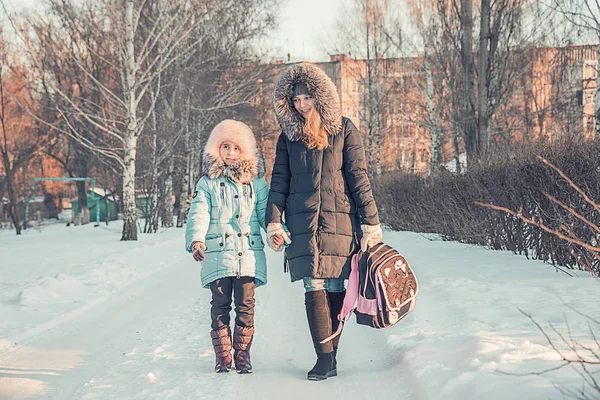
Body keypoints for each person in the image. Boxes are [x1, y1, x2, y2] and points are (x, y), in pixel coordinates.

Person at [265, 63, 383, 381]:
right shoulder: (288, 137)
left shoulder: (343, 129)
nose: (302, 105)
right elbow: (279, 181)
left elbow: (358, 178)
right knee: (312, 285)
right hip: (303, 222)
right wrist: (274, 221)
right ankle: (324, 357)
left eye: (307, 98)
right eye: (296, 100)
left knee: (334, 286)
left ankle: (330, 357)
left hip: (338, 220)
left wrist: (370, 224)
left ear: (320, 97)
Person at [185, 119, 269, 374]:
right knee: (220, 306)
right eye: (225, 147)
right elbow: (199, 213)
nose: (230, 153)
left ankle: (242, 355)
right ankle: (223, 356)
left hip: (248, 255)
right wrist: (196, 240)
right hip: (218, 255)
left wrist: (278, 231)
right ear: (216, 149)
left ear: (245, 150)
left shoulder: (257, 184)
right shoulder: (207, 183)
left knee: (246, 306)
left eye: (236, 148)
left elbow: (266, 214)